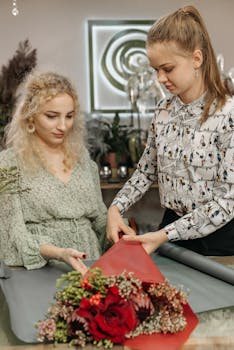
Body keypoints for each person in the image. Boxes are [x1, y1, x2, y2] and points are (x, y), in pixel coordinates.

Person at [107, 5, 234, 256]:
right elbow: (145, 172)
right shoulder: (162, 111)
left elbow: (226, 202)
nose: (160, 78)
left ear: (196, 59)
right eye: (156, 70)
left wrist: (166, 234)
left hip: (219, 243)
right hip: (169, 234)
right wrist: (115, 208)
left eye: (168, 68)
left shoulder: (228, 115)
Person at [0, 71, 107, 273]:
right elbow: (10, 232)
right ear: (30, 116)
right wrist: (59, 253)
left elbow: (99, 217)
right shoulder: (6, 164)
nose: (63, 126)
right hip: (41, 269)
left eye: (69, 116)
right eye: (51, 116)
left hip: (89, 263)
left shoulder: (82, 156)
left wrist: (118, 228)